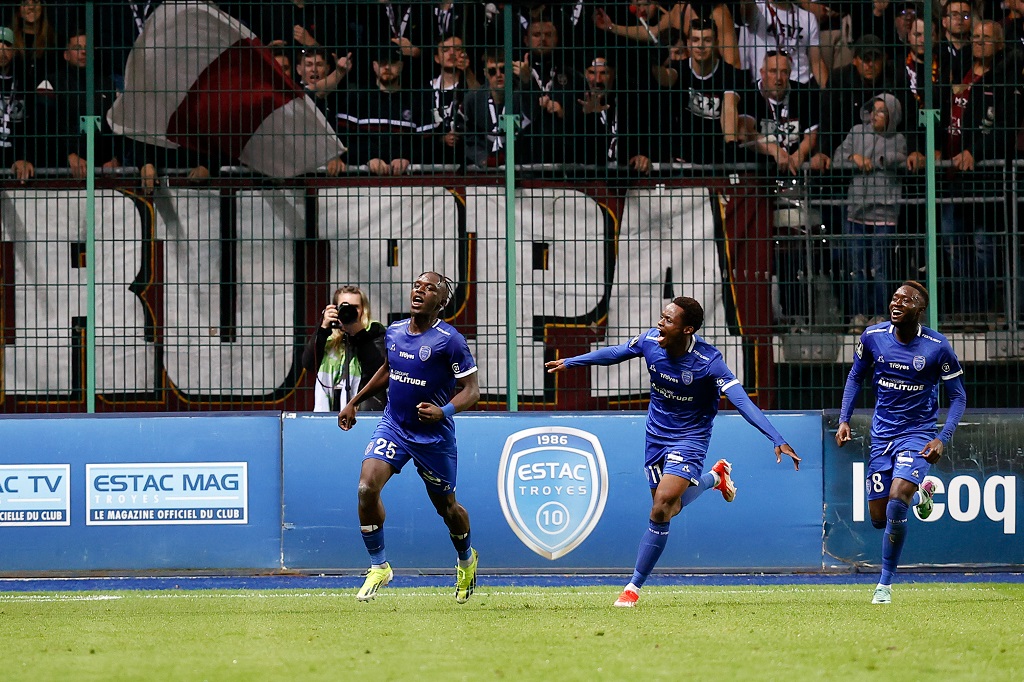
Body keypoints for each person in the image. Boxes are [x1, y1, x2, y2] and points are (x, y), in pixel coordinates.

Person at [545, 296, 800, 607]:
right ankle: (714, 478)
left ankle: (632, 588)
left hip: (690, 438)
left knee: (660, 506)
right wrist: (571, 361)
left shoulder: (709, 362)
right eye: (661, 318)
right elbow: (615, 352)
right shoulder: (650, 342)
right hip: (656, 435)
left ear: (687, 329)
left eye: (667, 321)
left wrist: (776, 437)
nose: (659, 325)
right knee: (669, 507)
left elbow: (743, 401)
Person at [337, 271, 481, 603]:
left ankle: (466, 559)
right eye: (417, 285)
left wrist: (443, 412)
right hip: (395, 426)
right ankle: (379, 565)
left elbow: (472, 391)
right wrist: (354, 402)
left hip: (433, 437)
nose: (419, 290)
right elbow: (388, 369)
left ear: (441, 302)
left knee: (447, 509)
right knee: (365, 487)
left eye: (429, 288)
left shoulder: (451, 340)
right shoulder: (395, 331)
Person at [835, 280, 967, 604]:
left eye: (905, 301)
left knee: (897, 499)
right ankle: (923, 490)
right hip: (882, 434)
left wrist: (941, 437)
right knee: (879, 518)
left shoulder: (937, 347)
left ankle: (884, 584)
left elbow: (959, 397)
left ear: (919, 309)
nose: (896, 304)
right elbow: (855, 376)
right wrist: (843, 419)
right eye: (894, 299)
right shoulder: (873, 337)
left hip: (918, 434)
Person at [830, 95, 908, 332]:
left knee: (881, 266)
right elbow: (837, 159)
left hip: (884, 210)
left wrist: (881, 160)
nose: (875, 115)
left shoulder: (898, 138)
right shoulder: (856, 132)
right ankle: (858, 314)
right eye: (873, 110)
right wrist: (854, 157)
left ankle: (880, 315)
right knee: (857, 266)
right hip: (857, 209)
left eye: (882, 111)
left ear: (892, 115)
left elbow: (902, 159)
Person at [302, 285, 386, 413]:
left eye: (355, 307)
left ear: (363, 309)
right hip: (331, 405)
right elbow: (308, 364)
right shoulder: (329, 335)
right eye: (344, 306)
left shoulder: (373, 331)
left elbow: (377, 369)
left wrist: (358, 333)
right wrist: (323, 329)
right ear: (336, 309)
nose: (349, 311)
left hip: (362, 407)